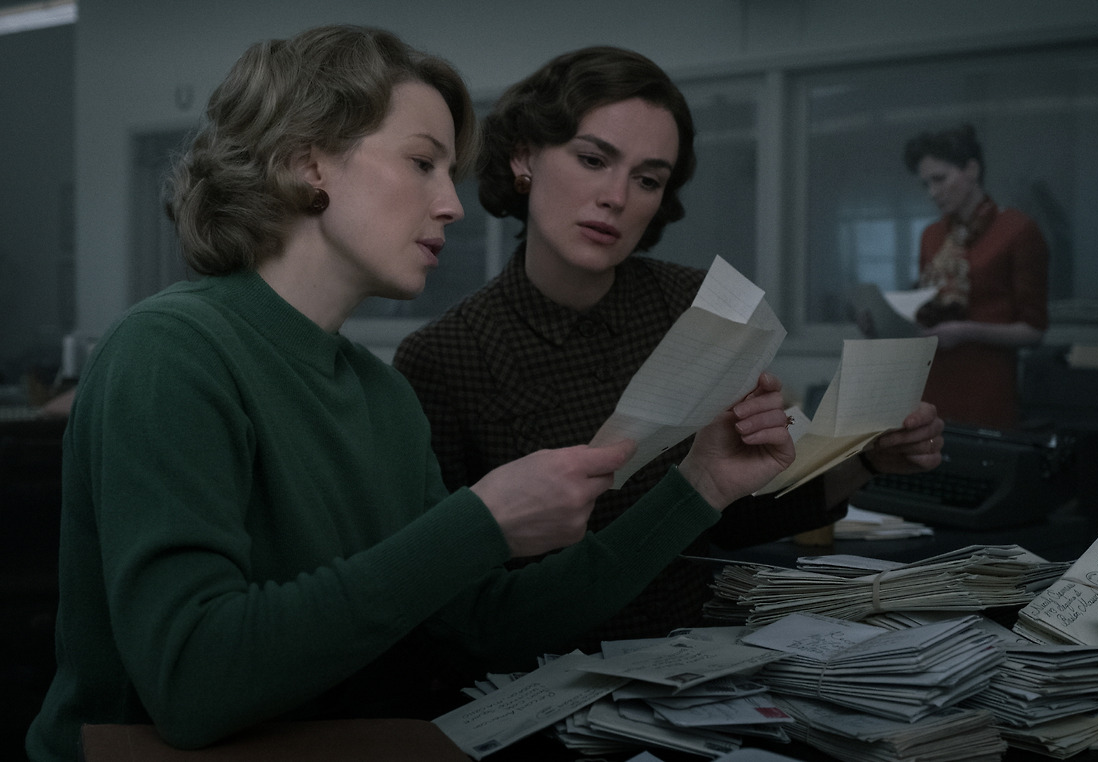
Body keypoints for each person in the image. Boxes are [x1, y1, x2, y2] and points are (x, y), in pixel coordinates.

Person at [25, 26, 800, 761]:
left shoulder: (381, 395)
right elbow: (193, 683)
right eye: (422, 162)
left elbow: (483, 625)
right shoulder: (171, 351)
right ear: (307, 163)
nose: (452, 205)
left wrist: (699, 486)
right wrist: (480, 521)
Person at [394, 46, 944, 647]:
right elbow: (451, 598)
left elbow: (729, 517)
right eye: (593, 159)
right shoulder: (444, 356)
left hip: (695, 654)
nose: (617, 196)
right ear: (524, 157)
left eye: (647, 179)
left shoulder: (697, 306)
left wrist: (866, 460)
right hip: (537, 664)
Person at [903, 124, 1049, 429]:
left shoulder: (1017, 230)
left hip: (986, 388)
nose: (932, 192)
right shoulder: (932, 236)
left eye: (940, 179)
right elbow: (925, 309)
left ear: (971, 170)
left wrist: (967, 331)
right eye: (926, 184)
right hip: (932, 384)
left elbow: (1034, 331)